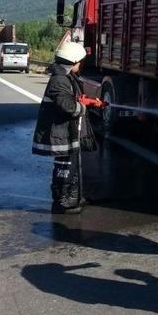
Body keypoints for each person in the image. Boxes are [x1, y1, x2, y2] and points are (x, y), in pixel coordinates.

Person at [32, 41, 106, 214]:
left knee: (72, 165)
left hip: (67, 132)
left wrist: (87, 101)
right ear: (71, 62)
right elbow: (68, 107)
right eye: (78, 62)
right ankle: (63, 202)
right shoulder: (59, 80)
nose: (80, 65)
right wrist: (83, 107)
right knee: (65, 169)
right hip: (60, 133)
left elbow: (72, 98)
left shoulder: (66, 77)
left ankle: (74, 197)